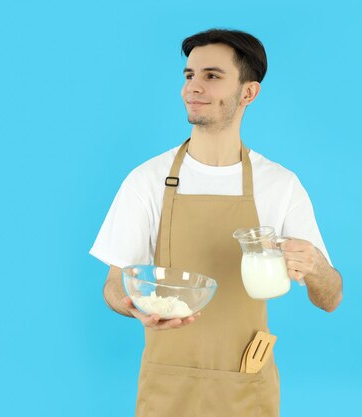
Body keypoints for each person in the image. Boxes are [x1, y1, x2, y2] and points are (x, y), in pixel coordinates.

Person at [89, 28, 343, 417]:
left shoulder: (279, 184)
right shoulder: (147, 180)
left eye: (212, 76)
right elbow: (113, 282)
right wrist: (132, 306)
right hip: (167, 384)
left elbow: (330, 298)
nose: (193, 87)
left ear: (248, 92)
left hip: (245, 382)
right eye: (189, 75)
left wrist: (316, 268)